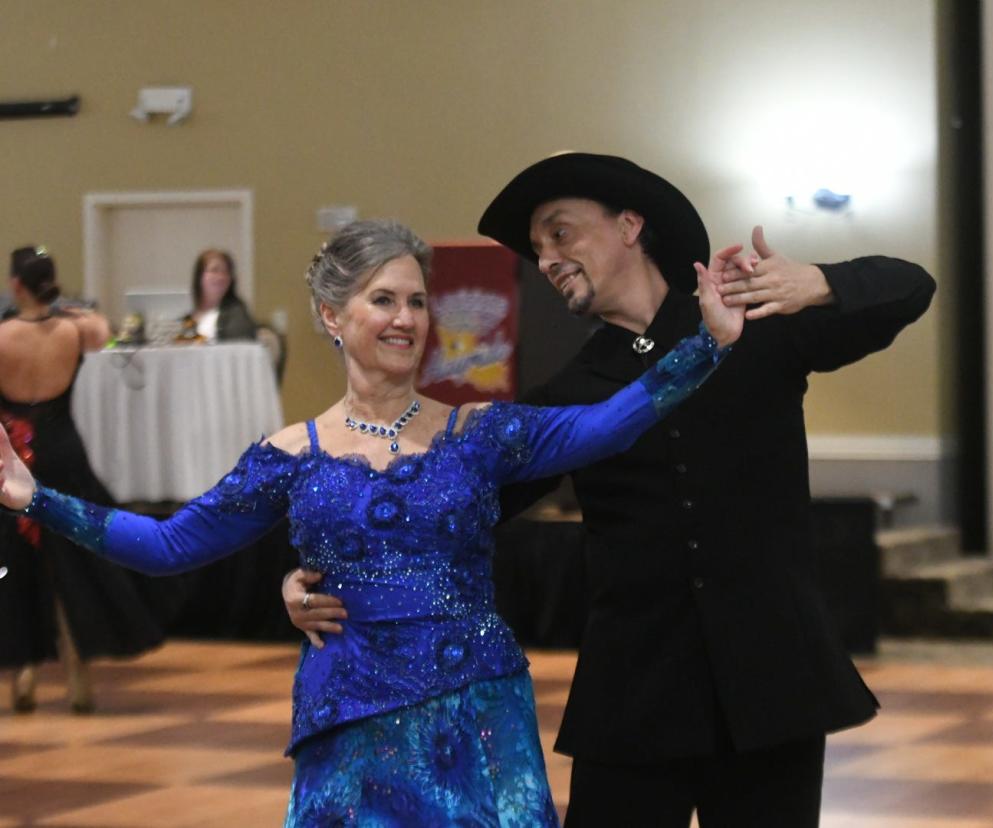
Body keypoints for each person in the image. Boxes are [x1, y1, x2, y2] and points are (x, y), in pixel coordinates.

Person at [0, 219, 744, 826]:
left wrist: (706, 345)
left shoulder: (479, 433)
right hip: (350, 719)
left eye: (418, 302)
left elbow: (606, 428)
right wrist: (34, 497)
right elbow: (169, 546)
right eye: (385, 300)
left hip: (478, 713)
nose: (407, 319)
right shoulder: (289, 456)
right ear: (333, 316)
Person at [285, 153, 937, 826]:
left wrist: (818, 282)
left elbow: (910, 286)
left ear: (630, 226)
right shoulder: (569, 395)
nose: (548, 258)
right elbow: (443, 509)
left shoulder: (754, 325)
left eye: (560, 233)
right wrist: (312, 576)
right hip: (634, 696)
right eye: (537, 249)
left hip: (774, 680)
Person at [0, 246, 164, 714]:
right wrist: (75, 308)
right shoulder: (76, 329)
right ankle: (78, 676)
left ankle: (25, 673)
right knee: (75, 562)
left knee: (16, 563)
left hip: (14, 456)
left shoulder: (2, 336)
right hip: (63, 451)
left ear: (15, 285)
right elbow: (109, 335)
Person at [183, 249, 257, 341]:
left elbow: (238, 350)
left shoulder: (237, 314)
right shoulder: (186, 320)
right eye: (214, 270)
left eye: (226, 272)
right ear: (199, 276)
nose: (221, 277)